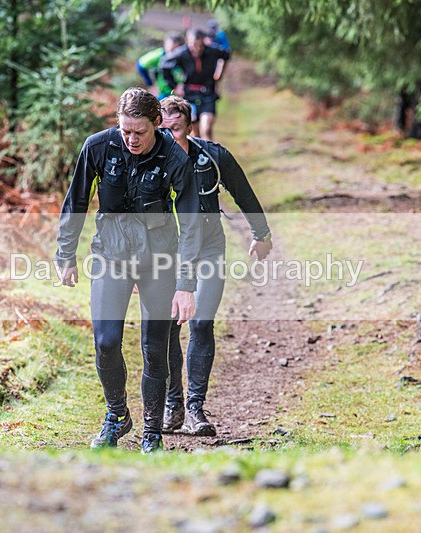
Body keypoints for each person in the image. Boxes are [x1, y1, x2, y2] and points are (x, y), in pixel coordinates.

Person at [56, 88, 202, 454]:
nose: (132, 139)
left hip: (159, 260)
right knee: (105, 342)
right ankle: (117, 415)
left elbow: (192, 224)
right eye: (125, 131)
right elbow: (75, 201)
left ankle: (152, 431)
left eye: (139, 132)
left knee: (155, 348)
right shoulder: (98, 146)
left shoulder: (174, 157)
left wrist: (186, 284)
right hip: (111, 255)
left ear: (157, 123)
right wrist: (65, 254)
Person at [158, 95, 272, 436]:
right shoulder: (148, 161)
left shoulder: (213, 156)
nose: (169, 136)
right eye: (162, 130)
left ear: (190, 128)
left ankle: (195, 407)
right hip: (166, 256)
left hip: (208, 251)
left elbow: (244, 193)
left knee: (202, 322)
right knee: (167, 329)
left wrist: (261, 232)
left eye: (176, 129)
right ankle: (172, 404)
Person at [160, 28, 230, 142]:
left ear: (204, 42)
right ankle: (198, 158)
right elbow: (165, 65)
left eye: (200, 45)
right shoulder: (182, 53)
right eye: (193, 45)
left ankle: (210, 157)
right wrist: (175, 86)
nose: (197, 49)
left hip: (208, 93)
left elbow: (226, 55)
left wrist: (219, 73)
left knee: (206, 129)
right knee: (194, 132)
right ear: (187, 41)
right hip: (189, 95)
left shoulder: (211, 51)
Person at [136, 34, 184, 100]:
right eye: (169, 49)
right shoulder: (159, 55)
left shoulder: (184, 57)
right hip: (163, 94)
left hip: (181, 94)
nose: (171, 53)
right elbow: (140, 65)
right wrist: (151, 85)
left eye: (174, 50)